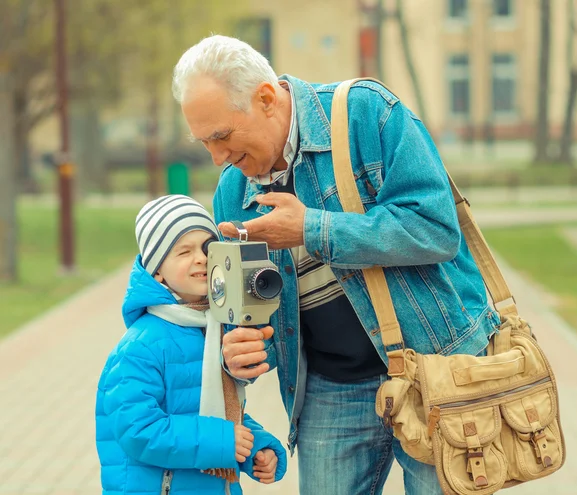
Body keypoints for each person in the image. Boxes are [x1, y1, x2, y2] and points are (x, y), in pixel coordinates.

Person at [172, 36, 501, 495]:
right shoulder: (232, 191)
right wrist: (240, 350)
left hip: (438, 370)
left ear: (266, 99)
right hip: (329, 389)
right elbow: (247, 312)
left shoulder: (367, 112)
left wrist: (313, 230)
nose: (217, 157)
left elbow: (437, 229)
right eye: (204, 142)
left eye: (222, 136)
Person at [95, 195, 287, 495]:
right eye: (183, 251)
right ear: (157, 270)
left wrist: (256, 449)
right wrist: (224, 441)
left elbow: (219, 410)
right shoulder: (140, 346)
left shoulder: (212, 329)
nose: (200, 258)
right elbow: (137, 431)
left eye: (207, 248)